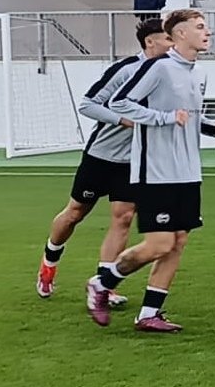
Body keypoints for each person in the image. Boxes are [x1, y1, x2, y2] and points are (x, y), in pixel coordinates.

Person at [86, 9, 215, 331]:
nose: (207, 32)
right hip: (155, 172)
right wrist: (163, 119)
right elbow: (120, 103)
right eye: (199, 27)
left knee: (179, 241)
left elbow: (189, 115)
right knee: (159, 244)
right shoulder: (159, 68)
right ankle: (101, 283)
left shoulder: (198, 74)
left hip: (188, 172)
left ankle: (149, 315)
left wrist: (214, 129)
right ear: (180, 34)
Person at [36, 19, 173, 303]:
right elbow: (88, 104)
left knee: (123, 218)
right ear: (151, 42)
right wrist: (122, 119)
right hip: (101, 156)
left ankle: (103, 286)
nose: (172, 44)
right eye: (168, 39)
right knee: (75, 213)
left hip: (132, 161)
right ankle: (49, 263)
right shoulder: (125, 71)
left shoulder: (171, 75)